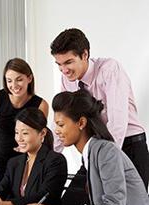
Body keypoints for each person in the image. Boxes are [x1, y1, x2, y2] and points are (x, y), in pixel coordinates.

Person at [27, 90, 149, 205]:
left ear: (81, 123)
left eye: (61, 125)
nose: (56, 131)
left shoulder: (105, 151)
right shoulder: (91, 154)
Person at [50, 27, 149, 190]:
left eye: (68, 62)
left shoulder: (109, 69)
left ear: (85, 54)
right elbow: (62, 120)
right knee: (72, 202)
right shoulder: (67, 80)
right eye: (59, 64)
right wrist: (47, 156)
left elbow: (117, 124)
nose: (64, 70)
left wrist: (103, 160)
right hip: (96, 148)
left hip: (128, 146)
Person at [0, 107, 67, 205]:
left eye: (25, 133)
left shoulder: (56, 161)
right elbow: (1, 189)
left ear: (42, 133)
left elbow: (44, 196)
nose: (19, 138)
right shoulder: (14, 163)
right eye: (16, 132)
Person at [0, 58, 49, 180]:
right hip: (2, 159)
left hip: (27, 160)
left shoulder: (41, 104)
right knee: (0, 196)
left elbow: (40, 137)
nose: (14, 85)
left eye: (19, 79)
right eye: (9, 81)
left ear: (29, 78)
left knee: (22, 197)